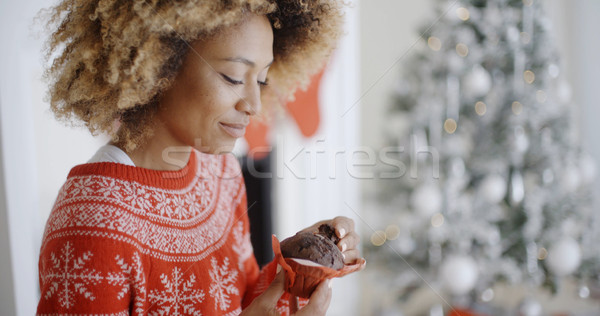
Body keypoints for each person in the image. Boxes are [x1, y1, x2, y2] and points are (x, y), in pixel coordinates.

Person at [36, 1, 363, 315]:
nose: (254, 104)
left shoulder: (220, 170)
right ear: (158, 63)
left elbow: (244, 294)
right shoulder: (92, 225)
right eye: (234, 77)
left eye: (261, 80)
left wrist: (298, 266)